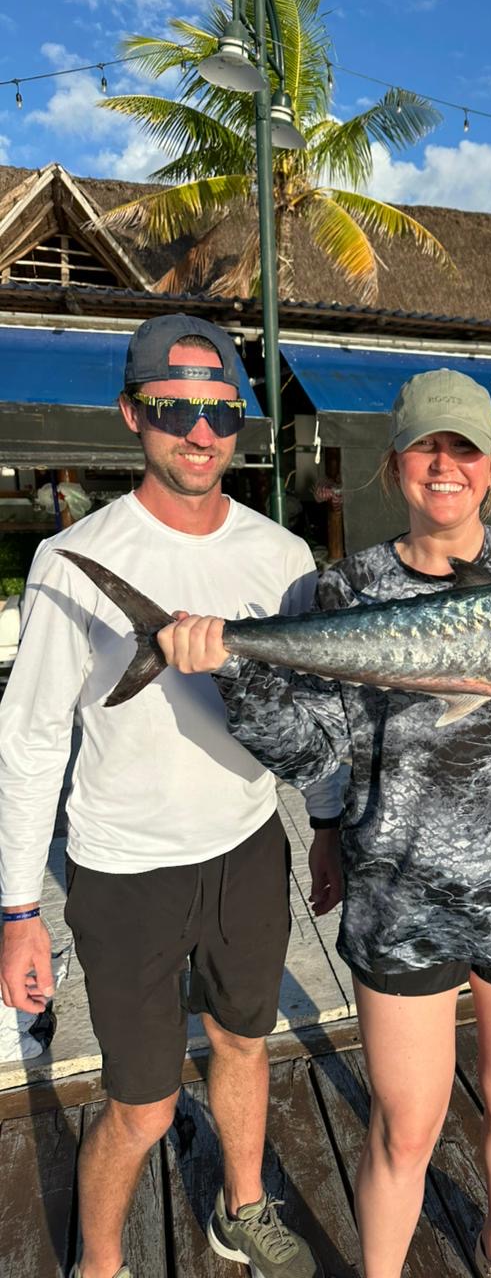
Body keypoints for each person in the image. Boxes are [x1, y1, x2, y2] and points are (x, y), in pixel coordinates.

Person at [158, 368, 491, 1278]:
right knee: (406, 1125)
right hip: (398, 903)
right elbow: (307, 748)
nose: (445, 467)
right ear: (395, 463)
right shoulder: (340, 590)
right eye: (427, 448)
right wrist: (230, 669)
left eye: (464, 450)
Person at [0, 314, 322, 1278]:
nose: (200, 431)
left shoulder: (284, 559)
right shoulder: (72, 560)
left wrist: (336, 822)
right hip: (123, 869)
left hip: (249, 847)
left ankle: (243, 1206)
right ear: (132, 413)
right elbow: (28, 740)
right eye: (174, 407)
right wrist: (18, 908)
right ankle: (99, 1264)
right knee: (140, 1104)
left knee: (244, 1043)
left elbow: (319, 711)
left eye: (222, 409)